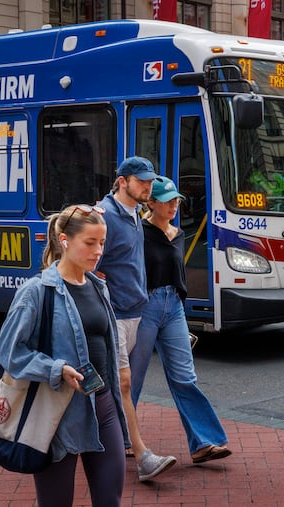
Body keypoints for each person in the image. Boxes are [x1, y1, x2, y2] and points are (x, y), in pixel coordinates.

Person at [0, 204, 129, 506]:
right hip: (57, 413)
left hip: (103, 405)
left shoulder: (98, 286)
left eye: (102, 243)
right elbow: (9, 352)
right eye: (90, 243)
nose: (98, 251)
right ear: (65, 241)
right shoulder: (36, 291)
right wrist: (55, 369)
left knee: (111, 499)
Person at [130, 176, 232, 465]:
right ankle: (123, 439)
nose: (175, 205)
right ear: (151, 203)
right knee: (132, 379)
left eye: (177, 200)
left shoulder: (179, 234)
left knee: (185, 377)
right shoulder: (139, 231)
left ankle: (204, 442)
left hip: (173, 307)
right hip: (146, 306)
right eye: (168, 200)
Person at [96, 156, 177, 482]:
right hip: (113, 314)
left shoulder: (134, 215)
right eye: (141, 181)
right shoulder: (105, 217)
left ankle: (82, 440)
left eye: (149, 181)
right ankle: (141, 454)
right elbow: (85, 262)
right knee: (123, 383)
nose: (148, 187)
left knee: (101, 385)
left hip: (135, 313)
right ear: (122, 181)